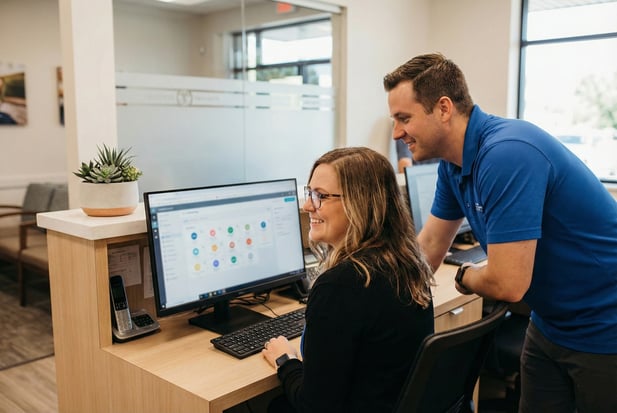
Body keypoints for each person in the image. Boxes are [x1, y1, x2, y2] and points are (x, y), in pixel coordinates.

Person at [383, 52, 617, 413]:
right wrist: (376, 299)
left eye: (404, 118)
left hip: (604, 325)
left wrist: (465, 276)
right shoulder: (453, 165)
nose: (397, 133)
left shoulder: (506, 153)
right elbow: (428, 245)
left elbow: (508, 284)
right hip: (550, 323)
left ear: (443, 108)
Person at [261, 146, 435, 413]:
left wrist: (286, 361)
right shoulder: (407, 264)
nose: (308, 206)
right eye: (309, 193)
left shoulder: (341, 285)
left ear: (360, 203)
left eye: (320, 196)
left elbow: (314, 406)